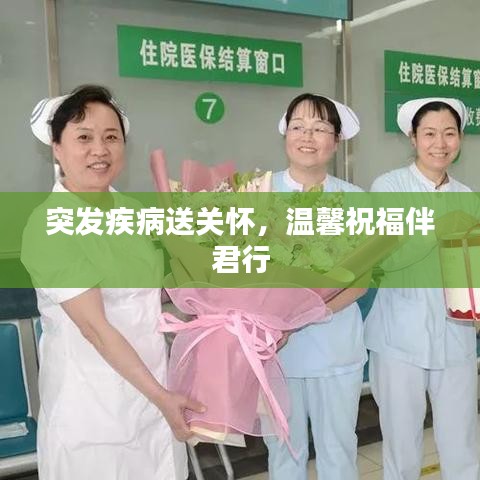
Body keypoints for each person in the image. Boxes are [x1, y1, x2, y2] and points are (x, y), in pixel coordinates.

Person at [22, 85, 205, 480]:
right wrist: (161, 397)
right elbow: (95, 329)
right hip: (93, 410)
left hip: (153, 401)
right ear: (57, 147)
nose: (99, 150)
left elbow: (149, 293)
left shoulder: (131, 211)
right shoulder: (49, 225)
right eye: (83, 138)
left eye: (110, 137)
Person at [365, 97, 480, 480]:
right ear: (413, 138)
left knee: (462, 444)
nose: (440, 143)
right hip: (399, 338)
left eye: (449, 133)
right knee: (402, 446)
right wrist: (438, 228)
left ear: (460, 139)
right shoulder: (388, 187)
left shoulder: (467, 197)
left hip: (457, 335)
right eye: (429, 134)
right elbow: (388, 258)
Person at [264, 93, 367, 480]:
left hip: (334, 349)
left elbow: (361, 280)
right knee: (283, 452)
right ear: (286, 135)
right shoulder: (258, 193)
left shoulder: (355, 200)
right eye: (298, 127)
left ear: (336, 141)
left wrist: (310, 311)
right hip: (274, 351)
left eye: (320, 128)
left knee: (338, 452)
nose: (308, 136)